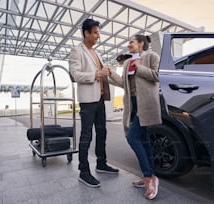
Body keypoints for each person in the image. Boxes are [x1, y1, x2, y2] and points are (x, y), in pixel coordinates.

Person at [109, 35, 161, 199]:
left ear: (141, 43)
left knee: (132, 138)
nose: (128, 44)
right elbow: (123, 84)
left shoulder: (151, 56)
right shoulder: (127, 62)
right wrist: (111, 74)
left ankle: (148, 178)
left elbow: (157, 75)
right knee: (143, 140)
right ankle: (151, 175)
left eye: (131, 41)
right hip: (132, 104)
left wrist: (139, 68)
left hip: (145, 103)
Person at [69, 18, 119, 188]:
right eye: (96, 32)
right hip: (88, 102)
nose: (99, 36)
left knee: (102, 132)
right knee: (86, 135)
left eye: (98, 32)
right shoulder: (77, 51)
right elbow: (76, 75)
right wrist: (97, 74)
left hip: (99, 100)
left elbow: (105, 73)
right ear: (86, 33)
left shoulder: (96, 53)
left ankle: (101, 163)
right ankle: (83, 171)